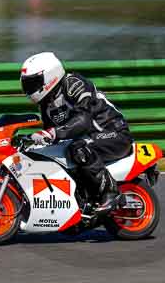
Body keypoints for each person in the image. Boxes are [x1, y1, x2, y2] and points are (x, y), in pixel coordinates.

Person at [20, 52, 131, 213]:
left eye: (34, 83)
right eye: (27, 84)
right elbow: (52, 135)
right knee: (49, 155)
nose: (30, 89)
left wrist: (51, 134)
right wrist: (32, 142)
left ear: (50, 76)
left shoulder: (74, 84)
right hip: (89, 139)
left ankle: (111, 192)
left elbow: (83, 121)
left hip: (114, 134)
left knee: (79, 148)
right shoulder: (47, 104)